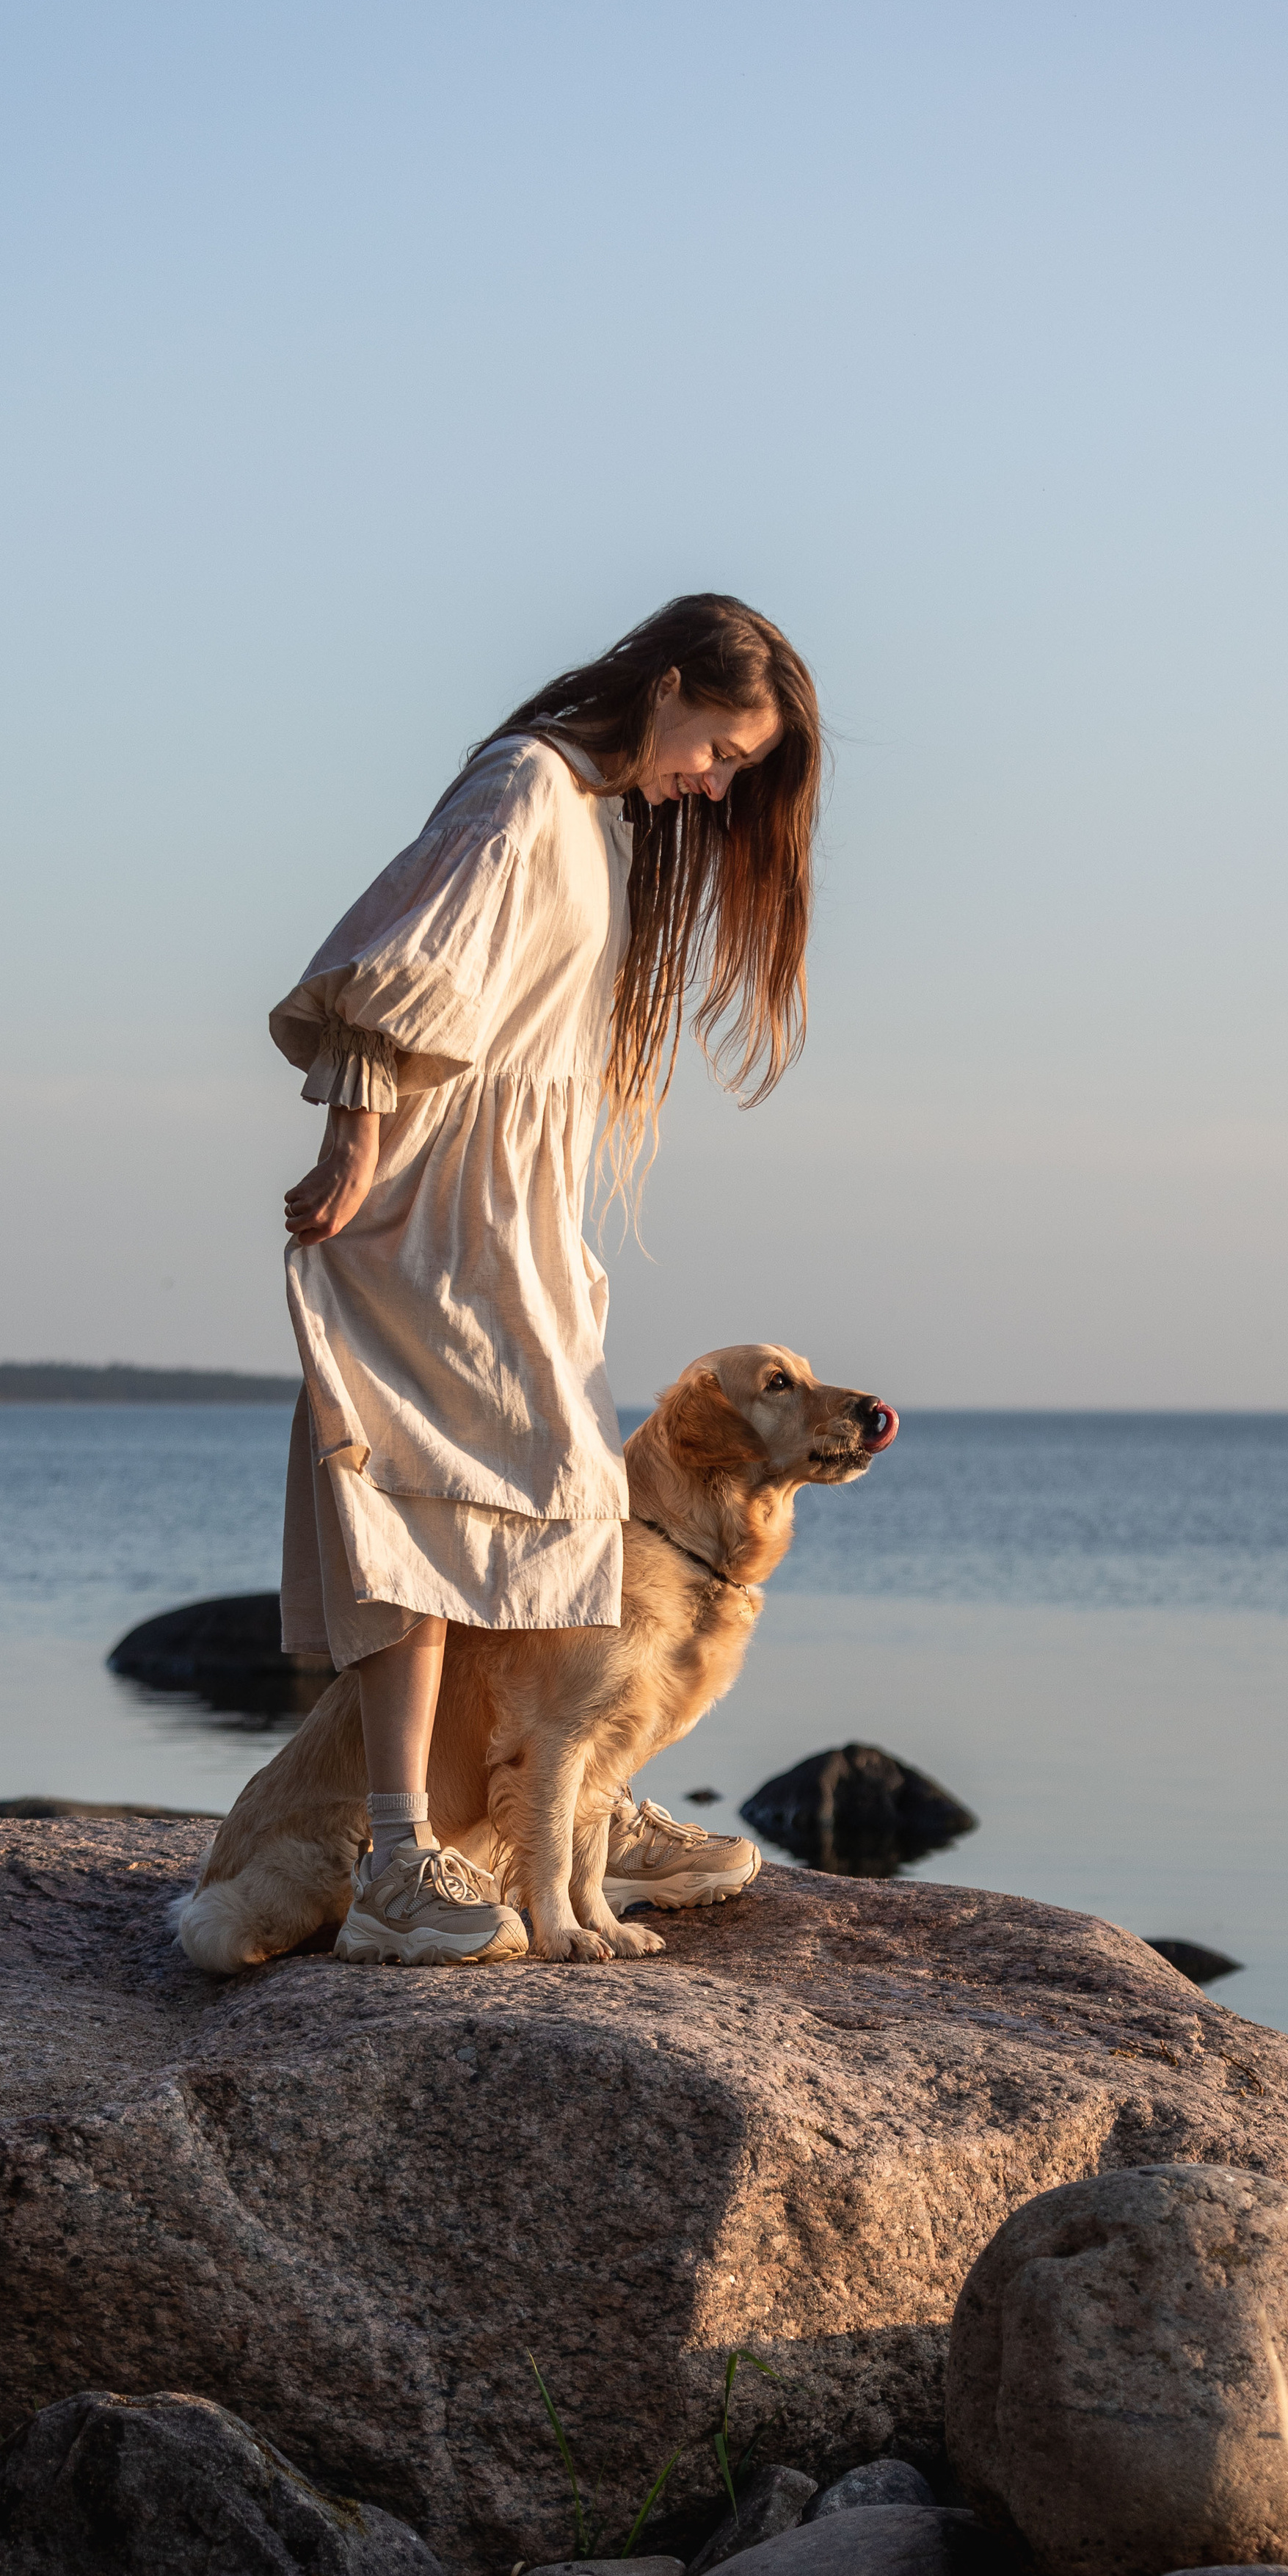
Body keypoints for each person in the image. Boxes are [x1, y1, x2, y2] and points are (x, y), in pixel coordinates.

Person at [270, 593, 823, 1965]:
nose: (719, 784)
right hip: (432, 1211)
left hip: (514, 1219)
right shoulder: (522, 785)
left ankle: (563, 1806)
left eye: (742, 771)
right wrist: (353, 1138)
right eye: (723, 750)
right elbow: (407, 954)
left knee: (569, 1507)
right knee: (420, 1518)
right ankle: (400, 1862)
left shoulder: (602, 818)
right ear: (670, 685)